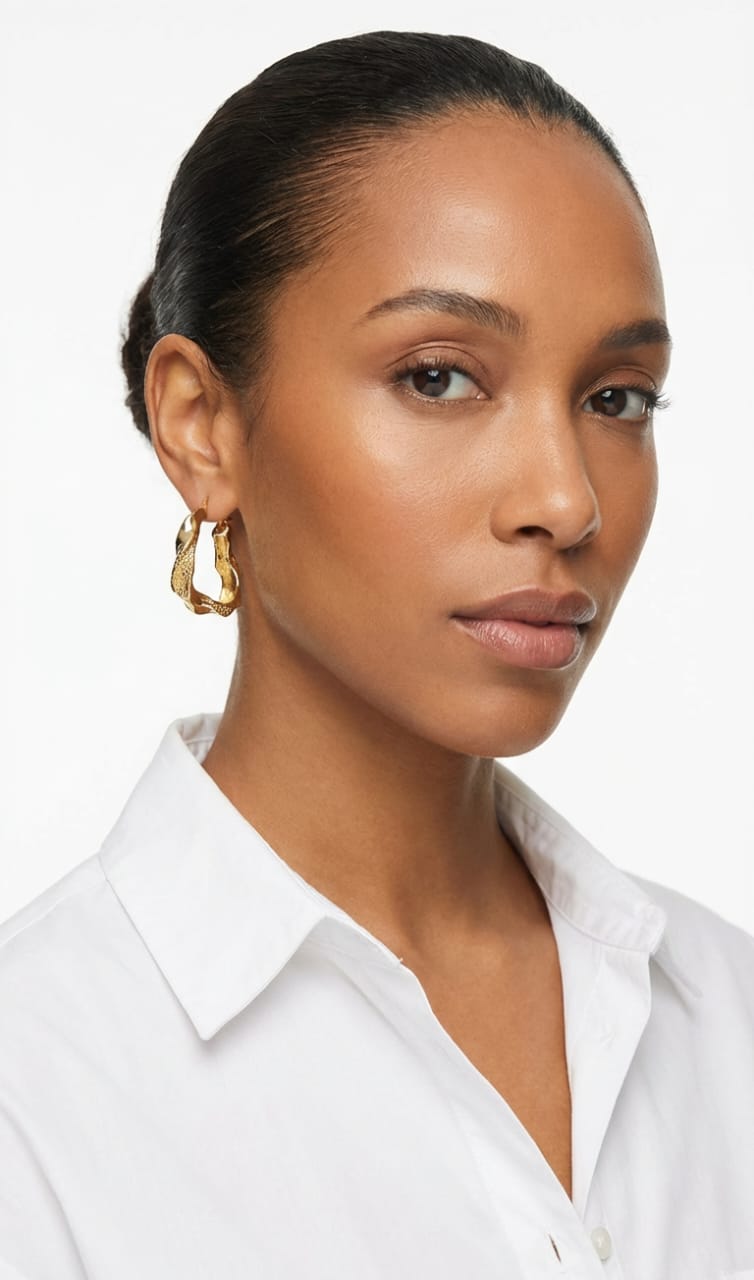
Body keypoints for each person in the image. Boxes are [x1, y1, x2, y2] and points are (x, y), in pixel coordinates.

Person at [0, 28, 752, 1280]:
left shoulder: (724, 1015)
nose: (566, 500)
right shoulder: (38, 1090)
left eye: (615, 397)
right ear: (203, 425)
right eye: (442, 376)